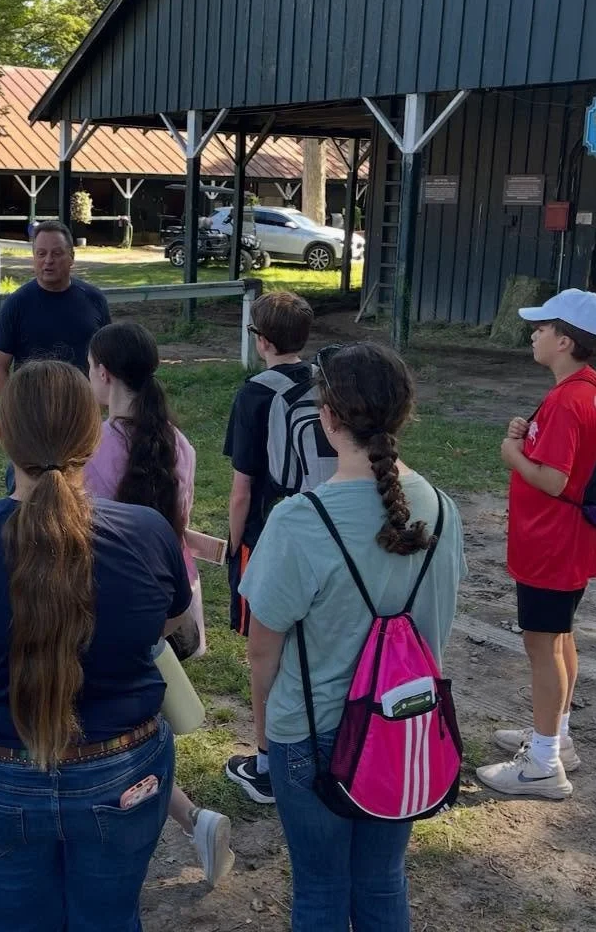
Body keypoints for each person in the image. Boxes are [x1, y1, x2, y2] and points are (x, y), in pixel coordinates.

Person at [0, 360, 191, 931]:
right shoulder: (146, 532)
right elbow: (171, 626)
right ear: (92, 438)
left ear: (0, 433)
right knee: (111, 918)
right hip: (122, 768)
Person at [240, 342, 467, 930]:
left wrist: (263, 733)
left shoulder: (298, 520)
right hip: (405, 726)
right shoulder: (442, 510)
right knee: (383, 879)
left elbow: (262, 647)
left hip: (310, 736)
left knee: (319, 889)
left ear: (328, 419)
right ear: (404, 414)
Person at [84, 321, 233, 887]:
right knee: (146, 719)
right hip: (176, 602)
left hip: (112, 611)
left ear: (103, 373)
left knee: (122, 727)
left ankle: (173, 820)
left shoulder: (90, 452)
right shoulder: (181, 443)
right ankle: (189, 818)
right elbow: (179, 526)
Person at [478, 289, 596, 801]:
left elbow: (555, 480)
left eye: (541, 327)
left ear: (564, 340)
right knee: (559, 639)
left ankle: (542, 764)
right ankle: (557, 737)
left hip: (550, 542)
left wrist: (513, 450)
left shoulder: (566, 399)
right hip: (569, 541)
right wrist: (529, 432)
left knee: (541, 644)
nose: (533, 333)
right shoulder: (587, 387)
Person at [222, 289, 315, 804]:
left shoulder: (255, 394)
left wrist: (235, 548)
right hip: (323, 531)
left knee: (264, 656)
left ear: (261, 340)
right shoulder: (326, 383)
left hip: (268, 535)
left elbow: (242, 490)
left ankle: (264, 761)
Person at [0, 219, 110, 396]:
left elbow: (109, 360)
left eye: (57, 253)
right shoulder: (16, 304)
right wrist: (13, 413)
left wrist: (99, 407)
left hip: (84, 408)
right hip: (33, 411)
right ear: (34, 258)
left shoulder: (94, 299)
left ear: (72, 257)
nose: (48, 261)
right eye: (41, 254)